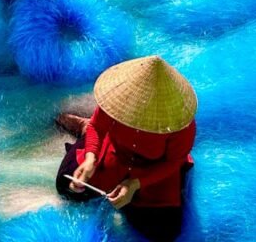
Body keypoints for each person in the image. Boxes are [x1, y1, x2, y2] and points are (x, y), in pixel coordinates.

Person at [55, 55, 197, 241]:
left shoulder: (180, 124)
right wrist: (90, 158)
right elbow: (97, 127)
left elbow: (174, 162)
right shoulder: (119, 100)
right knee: (68, 186)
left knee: (163, 233)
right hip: (115, 153)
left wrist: (136, 184)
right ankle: (84, 127)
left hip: (152, 170)